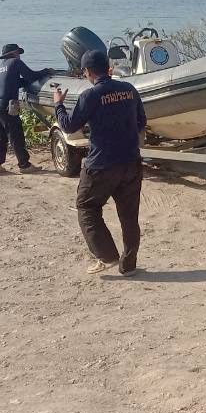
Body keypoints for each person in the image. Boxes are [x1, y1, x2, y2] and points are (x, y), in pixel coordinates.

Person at [53, 49, 147, 276]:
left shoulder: (90, 95)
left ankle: (106, 256)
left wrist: (58, 105)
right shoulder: (129, 89)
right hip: (131, 162)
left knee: (87, 207)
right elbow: (141, 122)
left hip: (101, 165)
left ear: (87, 71)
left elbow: (68, 126)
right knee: (129, 216)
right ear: (108, 67)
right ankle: (129, 265)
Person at [0, 43, 53, 173]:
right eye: (18, 52)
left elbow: (15, 82)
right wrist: (46, 71)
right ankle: (24, 165)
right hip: (6, 105)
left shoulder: (2, 67)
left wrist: (26, 82)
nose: (19, 55)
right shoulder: (15, 62)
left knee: (0, 136)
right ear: (13, 53)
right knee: (16, 135)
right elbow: (31, 76)